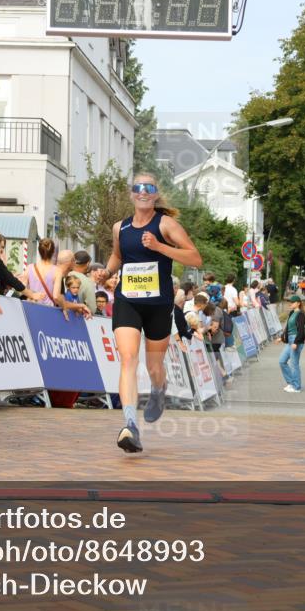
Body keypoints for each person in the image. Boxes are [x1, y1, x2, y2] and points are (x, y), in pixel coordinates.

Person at [96, 173, 202, 453]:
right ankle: (130, 424)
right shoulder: (121, 227)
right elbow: (118, 256)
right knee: (128, 358)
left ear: (155, 194)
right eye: (138, 188)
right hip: (127, 300)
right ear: (131, 194)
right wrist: (105, 272)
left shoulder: (166, 224)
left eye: (149, 188)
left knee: (154, 366)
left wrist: (159, 247)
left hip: (158, 304)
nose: (143, 192)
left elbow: (194, 257)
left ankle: (158, 390)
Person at [278, 295, 305, 393]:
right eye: (290, 302)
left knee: (294, 364)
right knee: (282, 361)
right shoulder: (291, 313)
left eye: (293, 302)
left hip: (296, 340)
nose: (291, 304)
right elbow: (287, 328)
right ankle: (291, 382)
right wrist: (281, 338)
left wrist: (296, 342)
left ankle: (297, 387)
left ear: (298, 303)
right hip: (290, 340)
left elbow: (301, 331)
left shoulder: (301, 315)